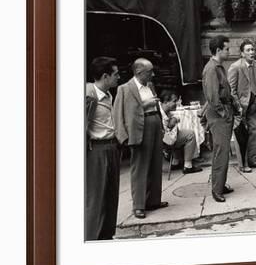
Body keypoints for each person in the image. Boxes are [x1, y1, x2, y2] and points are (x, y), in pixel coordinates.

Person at [113, 58, 168, 219]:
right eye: (149, 71)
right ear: (139, 72)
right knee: (140, 167)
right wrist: (123, 137)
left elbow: (156, 106)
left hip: (154, 124)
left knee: (155, 164)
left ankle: (153, 200)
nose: (153, 74)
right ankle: (138, 205)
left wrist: (162, 124)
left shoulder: (150, 86)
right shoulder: (125, 89)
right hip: (139, 128)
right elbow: (117, 114)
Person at [85, 57, 121, 240]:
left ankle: (107, 235)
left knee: (111, 195)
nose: (119, 77)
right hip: (97, 150)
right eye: (116, 74)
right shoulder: (88, 95)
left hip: (111, 147)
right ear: (105, 76)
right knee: (96, 198)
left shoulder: (108, 95)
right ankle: (92, 238)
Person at [202, 35, 240, 202]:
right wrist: (223, 113)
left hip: (224, 111)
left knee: (223, 152)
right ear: (218, 50)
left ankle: (221, 184)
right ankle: (217, 189)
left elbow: (225, 91)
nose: (228, 51)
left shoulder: (218, 67)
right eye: (226, 48)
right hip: (219, 115)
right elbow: (212, 96)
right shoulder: (211, 69)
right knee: (220, 152)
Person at [228, 39, 256, 173]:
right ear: (242, 54)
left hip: (253, 104)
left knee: (254, 130)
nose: (251, 52)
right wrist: (237, 106)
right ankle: (242, 164)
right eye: (248, 50)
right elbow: (231, 90)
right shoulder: (236, 67)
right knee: (240, 134)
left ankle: (253, 159)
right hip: (240, 105)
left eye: (252, 49)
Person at [159, 91, 203, 174]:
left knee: (179, 131)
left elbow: (174, 119)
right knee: (190, 134)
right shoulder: (160, 113)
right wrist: (171, 124)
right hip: (164, 142)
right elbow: (166, 132)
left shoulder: (164, 110)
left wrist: (174, 120)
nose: (177, 103)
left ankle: (176, 161)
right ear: (165, 102)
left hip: (165, 139)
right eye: (174, 101)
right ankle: (188, 166)